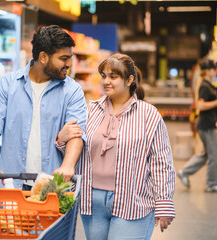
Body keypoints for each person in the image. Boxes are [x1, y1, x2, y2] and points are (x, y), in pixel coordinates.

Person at [56, 53, 175, 239]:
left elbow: (161, 163)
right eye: (103, 76)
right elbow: (76, 148)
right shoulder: (90, 110)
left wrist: (164, 202)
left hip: (132, 201)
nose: (106, 81)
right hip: (92, 201)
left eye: (113, 76)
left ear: (129, 80)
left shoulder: (149, 115)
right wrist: (62, 138)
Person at [0, 25, 87, 189]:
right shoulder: (7, 85)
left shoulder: (72, 90)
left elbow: (77, 134)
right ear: (43, 57)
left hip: (53, 186)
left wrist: (68, 166)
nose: (69, 64)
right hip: (11, 184)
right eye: (64, 58)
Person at [177, 59, 217, 193]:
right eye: (213, 69)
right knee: (216, 156)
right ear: (208, 71)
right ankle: (211, 185)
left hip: (207, 124)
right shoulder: (205, 86)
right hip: (207, 126)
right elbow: (201, 106)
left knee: (206, 155)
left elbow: (211, 106)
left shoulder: (208, 84)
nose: (216, 71)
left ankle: (184, 172)